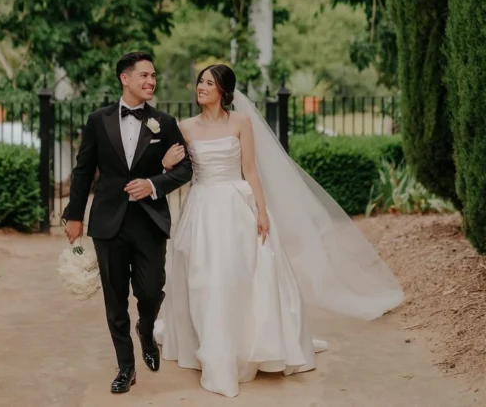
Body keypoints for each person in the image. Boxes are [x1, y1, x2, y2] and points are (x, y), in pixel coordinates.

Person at [155, 64, 404, 398]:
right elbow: (172, 169)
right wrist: (165, 164)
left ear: (223, 91)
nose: (201, 86)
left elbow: (250, 170)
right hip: (201, 208)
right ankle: (213, 348)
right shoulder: (184, 127)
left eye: (208, 82)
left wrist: (261, 210)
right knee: (204, 278)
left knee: (242, 274)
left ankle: (247, 344)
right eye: (200, 81)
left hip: (235, 205)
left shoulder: (240, 122)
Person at [62, 52, 193, 394]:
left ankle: (146, 331)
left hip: (149, 220)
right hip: (108, 222)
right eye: (145, 75)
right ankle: (126, 367)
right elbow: (83, 169)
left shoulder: (164, 123)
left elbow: (185, 169)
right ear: (125, 78)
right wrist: (74, 215)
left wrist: (153, 184)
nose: (151, 81)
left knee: (150, 292)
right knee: (115, 300)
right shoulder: (97, 120)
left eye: (154, 76)